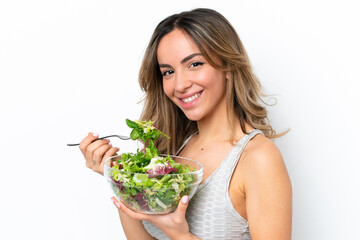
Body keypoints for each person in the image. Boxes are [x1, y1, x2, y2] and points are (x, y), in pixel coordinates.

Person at [79, 8, 292, 240]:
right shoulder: (173, 151)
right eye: (168, 71)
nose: (179, 85)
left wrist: (181, 236)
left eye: (194, 64)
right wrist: (120, 178)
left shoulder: (258, 158)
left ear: (228, 66)